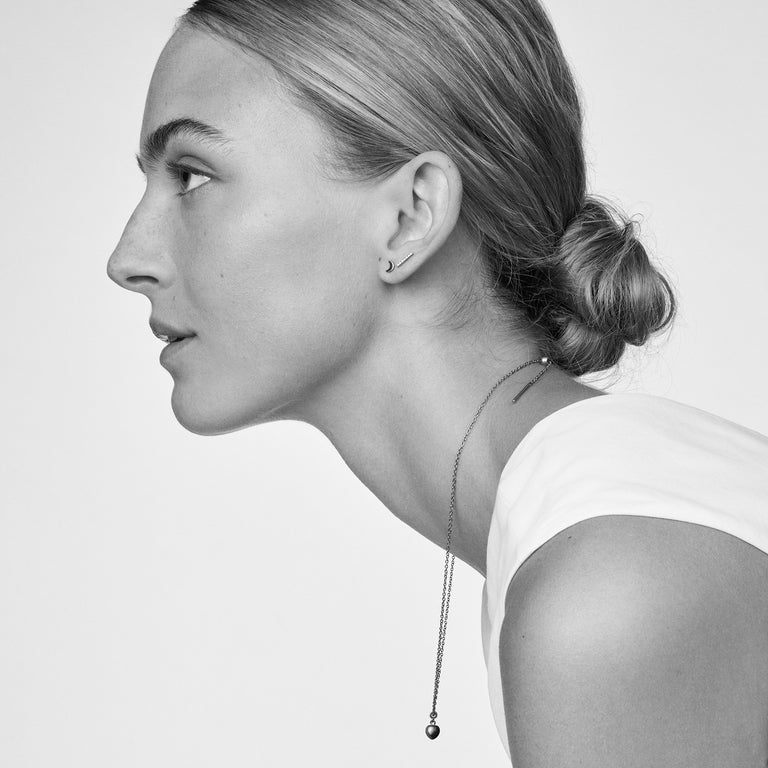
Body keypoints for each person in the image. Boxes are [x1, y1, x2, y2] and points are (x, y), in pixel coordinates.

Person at [106, 1, 768, 764]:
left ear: (411, 216)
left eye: (192, 175)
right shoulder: (602, 521)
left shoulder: (613, 585)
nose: (128, 259)